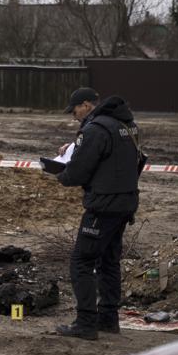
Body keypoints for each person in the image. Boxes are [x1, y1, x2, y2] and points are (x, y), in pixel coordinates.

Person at [52, 87, 141, 340]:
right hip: (125, 203)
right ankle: (108, 319)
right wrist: (74, 148)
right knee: (109, 261)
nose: (74, 116)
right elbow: (113, 157)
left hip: (103, 205)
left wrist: (59, 172)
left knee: (81, 261)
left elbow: (78, 172)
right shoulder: (127, 124)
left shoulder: (95, 130)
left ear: (87, 105)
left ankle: (86, 323)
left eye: (76, 110)